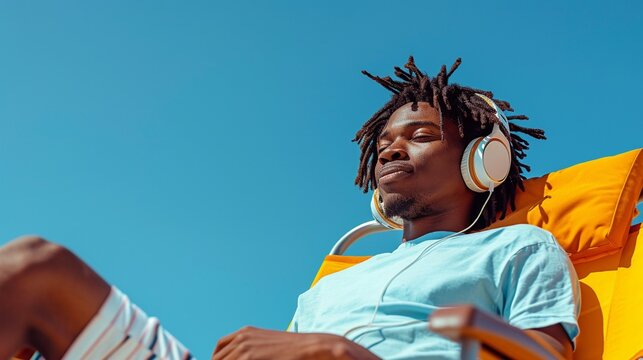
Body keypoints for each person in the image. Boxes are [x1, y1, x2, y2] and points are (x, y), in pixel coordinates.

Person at [0, 57, 580, 360]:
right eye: (383, 144)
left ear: (485, 161)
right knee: (31, 269)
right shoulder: (331, 286)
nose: (391, 148)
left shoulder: (518, 248)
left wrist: (342, 354)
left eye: (421, 134)